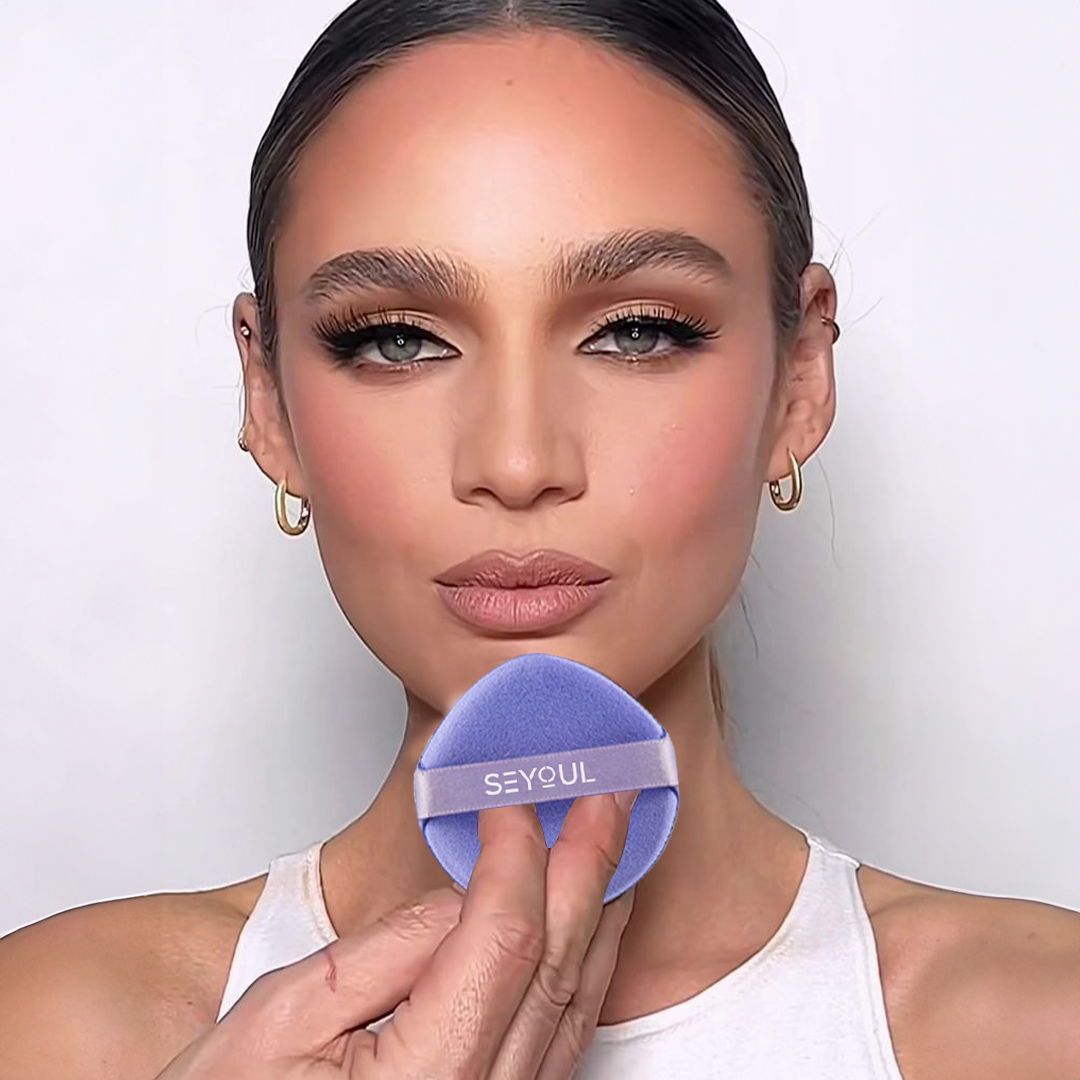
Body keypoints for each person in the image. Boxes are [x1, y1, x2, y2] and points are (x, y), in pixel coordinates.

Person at [1, 1, 1077, 1078]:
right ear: (268, 401)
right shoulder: (65, 1034)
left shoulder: (1036, 1033)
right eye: (397, 340)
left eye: (638, 331)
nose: (517, 464)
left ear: (799, 382)